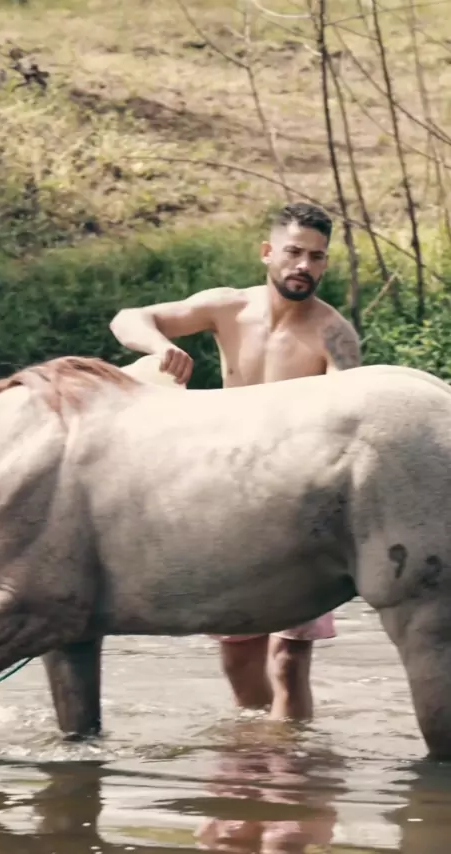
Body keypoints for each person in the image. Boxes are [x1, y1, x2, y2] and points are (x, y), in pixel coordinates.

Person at [109, 201, 361, 722]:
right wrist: (159, 348)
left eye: (316, 257)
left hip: (301, 504)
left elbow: (348, 416)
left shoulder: (334, 335)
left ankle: (293, 762)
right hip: (231, 499)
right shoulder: (228, 307)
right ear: (268, 252)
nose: (303, 266)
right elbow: (129, 318)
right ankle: (253, 758)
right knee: (238, 656)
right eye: (293, 252)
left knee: (289, 660)